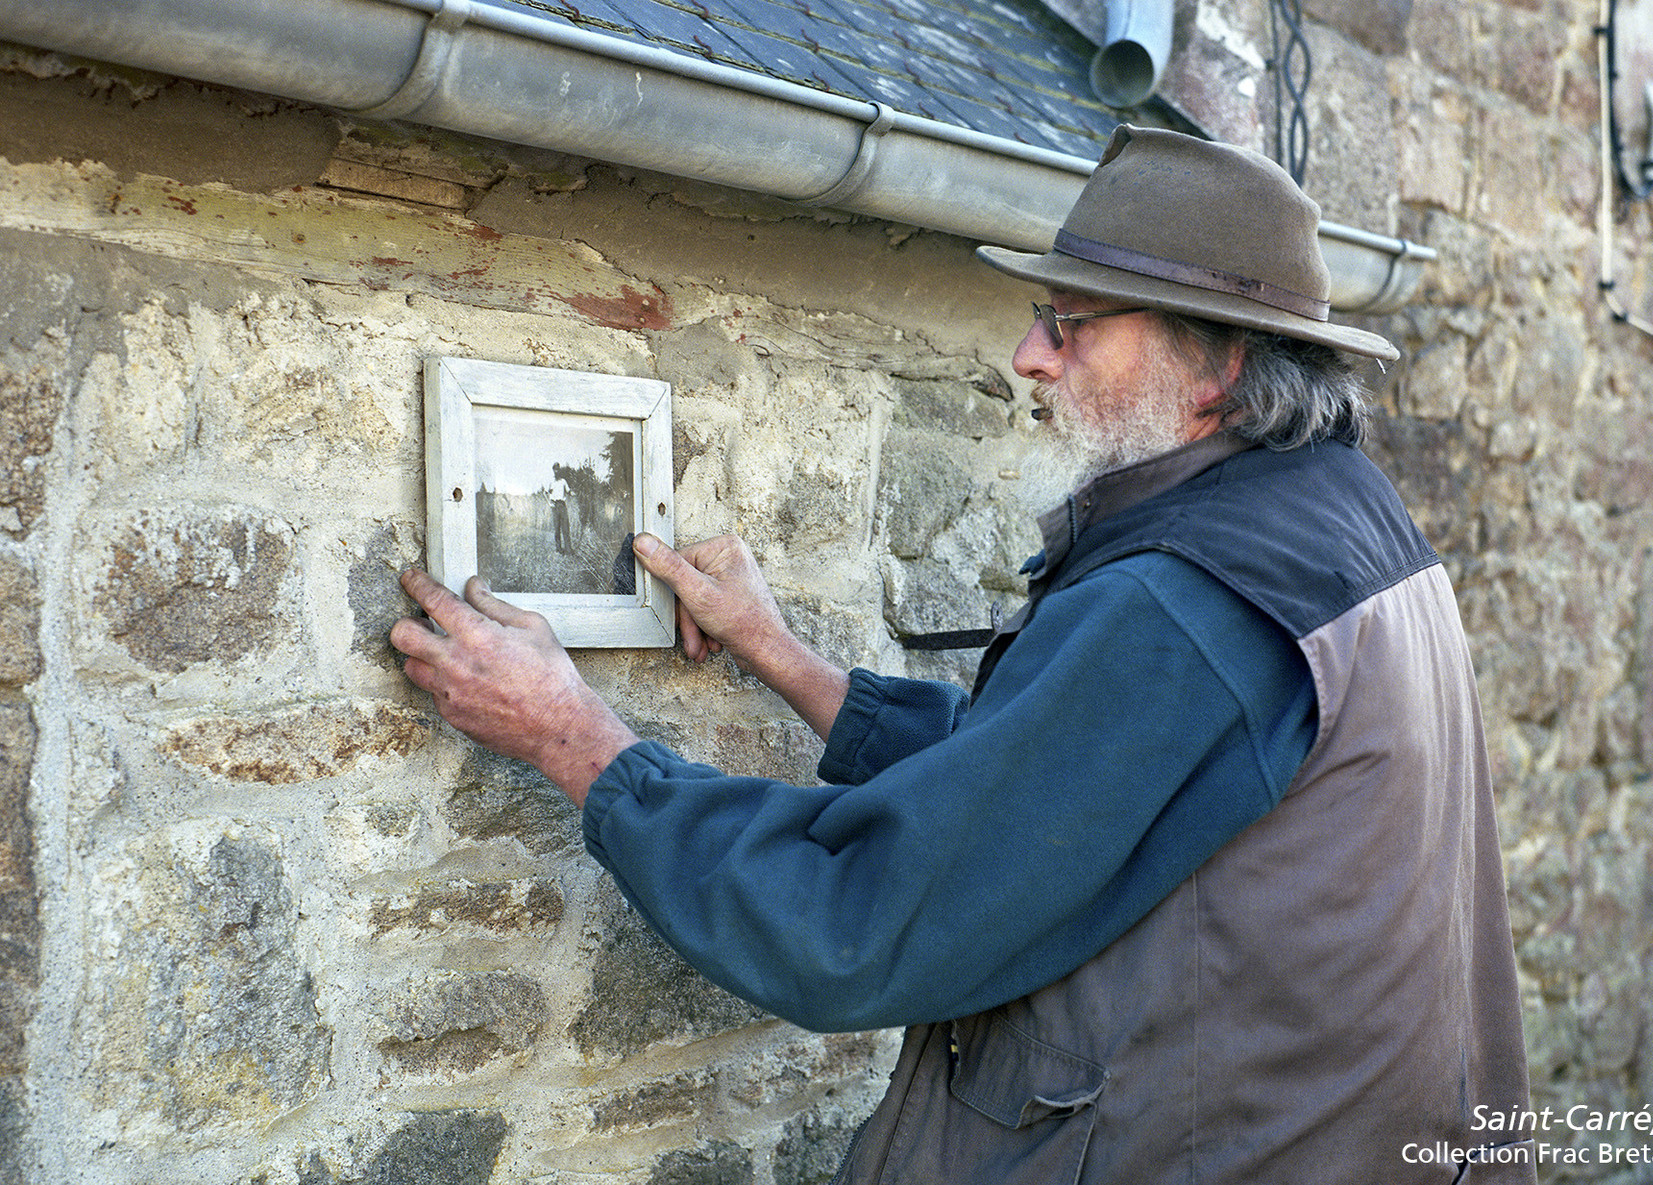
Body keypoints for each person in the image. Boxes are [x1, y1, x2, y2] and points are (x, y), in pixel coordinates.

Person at [392, 127, 1536, 1183]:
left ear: (1218, 367)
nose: (1029, 356)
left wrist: (572, 735)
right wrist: (788, 660)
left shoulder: (1189, 599)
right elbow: (1088, 787)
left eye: (1070, 323)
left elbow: (861, 923)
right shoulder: (1337, 515)